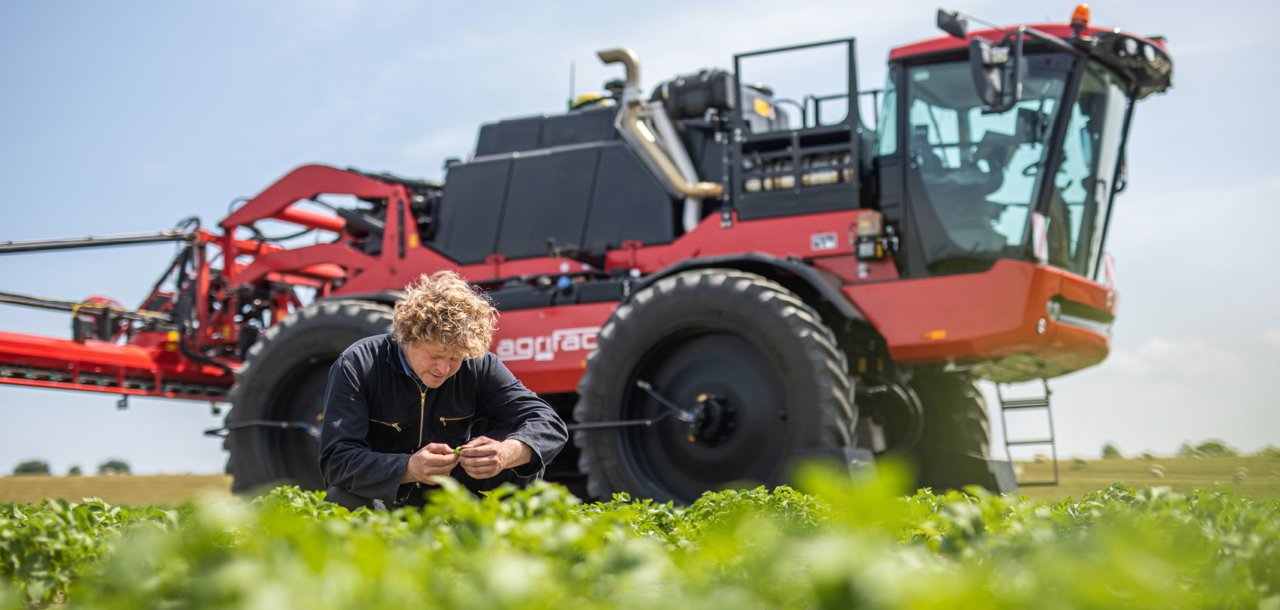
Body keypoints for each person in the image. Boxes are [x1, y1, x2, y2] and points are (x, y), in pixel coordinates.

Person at [318, 270, 568, 510]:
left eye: (455, 358)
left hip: (456, 498)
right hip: (385, 502)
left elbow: (548, 423)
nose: (444, 369)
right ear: (407, 336)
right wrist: (408, 468)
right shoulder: (358, 363)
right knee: (343, 496)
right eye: (435, 355)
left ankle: (504, 548)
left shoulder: (477, 363)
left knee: (522, 464)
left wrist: (506, 452)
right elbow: (336, 460)